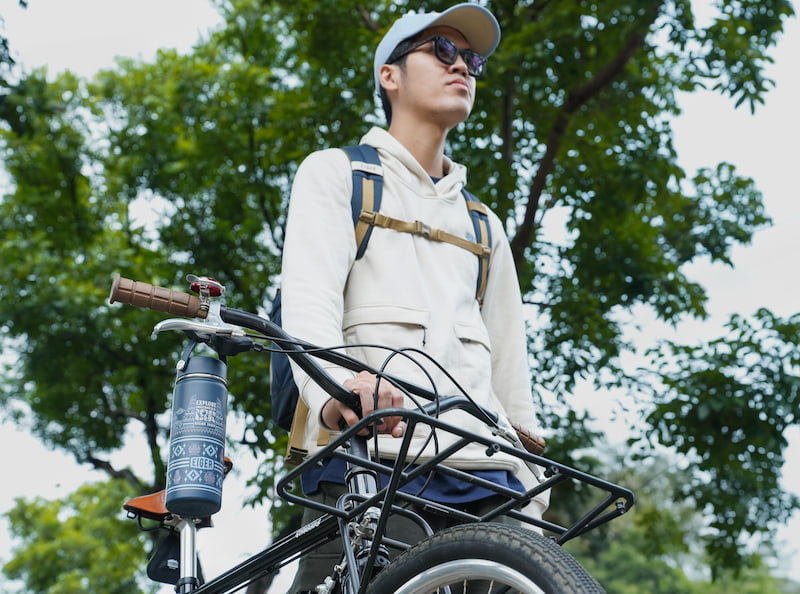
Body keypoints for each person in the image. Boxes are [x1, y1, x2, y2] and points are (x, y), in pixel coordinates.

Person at [280, 3, 547, 591]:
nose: (463, 66)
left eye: (472, 58)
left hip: (489, 476)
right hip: (374, 459)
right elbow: (308, 309)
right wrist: (338, 391)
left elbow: (511, 372)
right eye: (443, 50)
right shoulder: (338, 175)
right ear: (390, 76)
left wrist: (532, 484)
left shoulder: (484, 224)